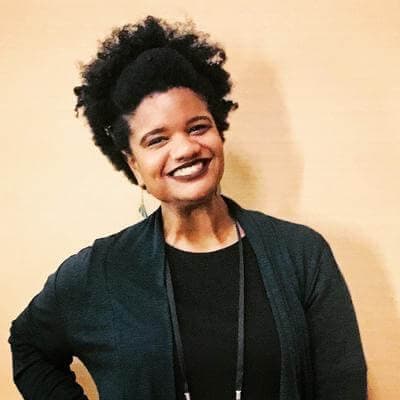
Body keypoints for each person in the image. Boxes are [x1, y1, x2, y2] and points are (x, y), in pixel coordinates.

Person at [9, 15, 367, 400]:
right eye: (157, 139)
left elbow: (342, 384)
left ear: (219, 130)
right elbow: (28, 345)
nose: (185, 148)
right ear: (133, 164)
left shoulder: (301, 254)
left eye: (197, 127)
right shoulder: (102, 270)